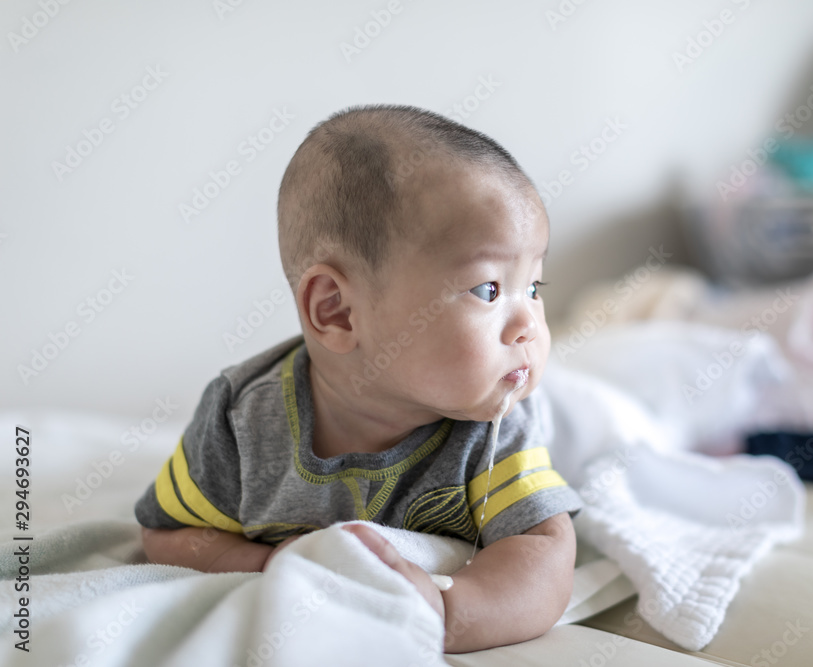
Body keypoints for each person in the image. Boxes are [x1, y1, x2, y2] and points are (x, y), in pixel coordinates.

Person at [135, 104, 582, 652]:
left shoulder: (493, 420)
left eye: (534, 287)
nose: (529, 326)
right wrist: (271, 564)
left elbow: (544, 549)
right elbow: (169, 535)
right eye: (488, 290)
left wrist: (447, 612)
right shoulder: (241, 420)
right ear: (338, 313)